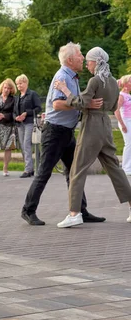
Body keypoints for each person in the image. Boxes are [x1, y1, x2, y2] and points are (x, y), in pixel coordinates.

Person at [21, 42, 105, 226]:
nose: (83, 58)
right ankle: (28, 210)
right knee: (44, 172)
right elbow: (57, 104)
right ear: (70, 59)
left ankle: (81, 211)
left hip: (66, 132)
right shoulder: (63, 76)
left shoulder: (72, 77)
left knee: (73, 172)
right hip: (55, 132)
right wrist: (85, 104)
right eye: (80, 55)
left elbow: (71, 101)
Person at [53, 48, 131, 228]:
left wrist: (65, 89)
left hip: (91, 128)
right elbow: (112, 106)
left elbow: (80, 103)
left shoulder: (95, 80)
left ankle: (74, 213)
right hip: (106, 126)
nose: (87, 64)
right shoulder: (112, 81)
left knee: (77, 170)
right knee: (115, 170)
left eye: (89, 61)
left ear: (96, 61)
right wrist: (89, 104)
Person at [13, 74, 42, 178]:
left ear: (26, 83)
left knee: (26, 144)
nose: (19, 86)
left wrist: (27, 113)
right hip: (20, 124)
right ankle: (29, 167)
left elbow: (38, 108)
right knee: (23, 145)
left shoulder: (32, 94)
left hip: (30, 122)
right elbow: (14, 111)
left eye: (20, 83)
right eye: (17, 84)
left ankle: (28, 169)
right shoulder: (17, 97)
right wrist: (16, 117)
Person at [115, 75, 131, 175]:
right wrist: (122, 124)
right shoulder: (121, 95)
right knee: (129, 144)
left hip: (129, 120)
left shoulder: (128, 95)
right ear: (125, 84)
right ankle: (126, 168)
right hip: (125, 121)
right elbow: (116, 110)